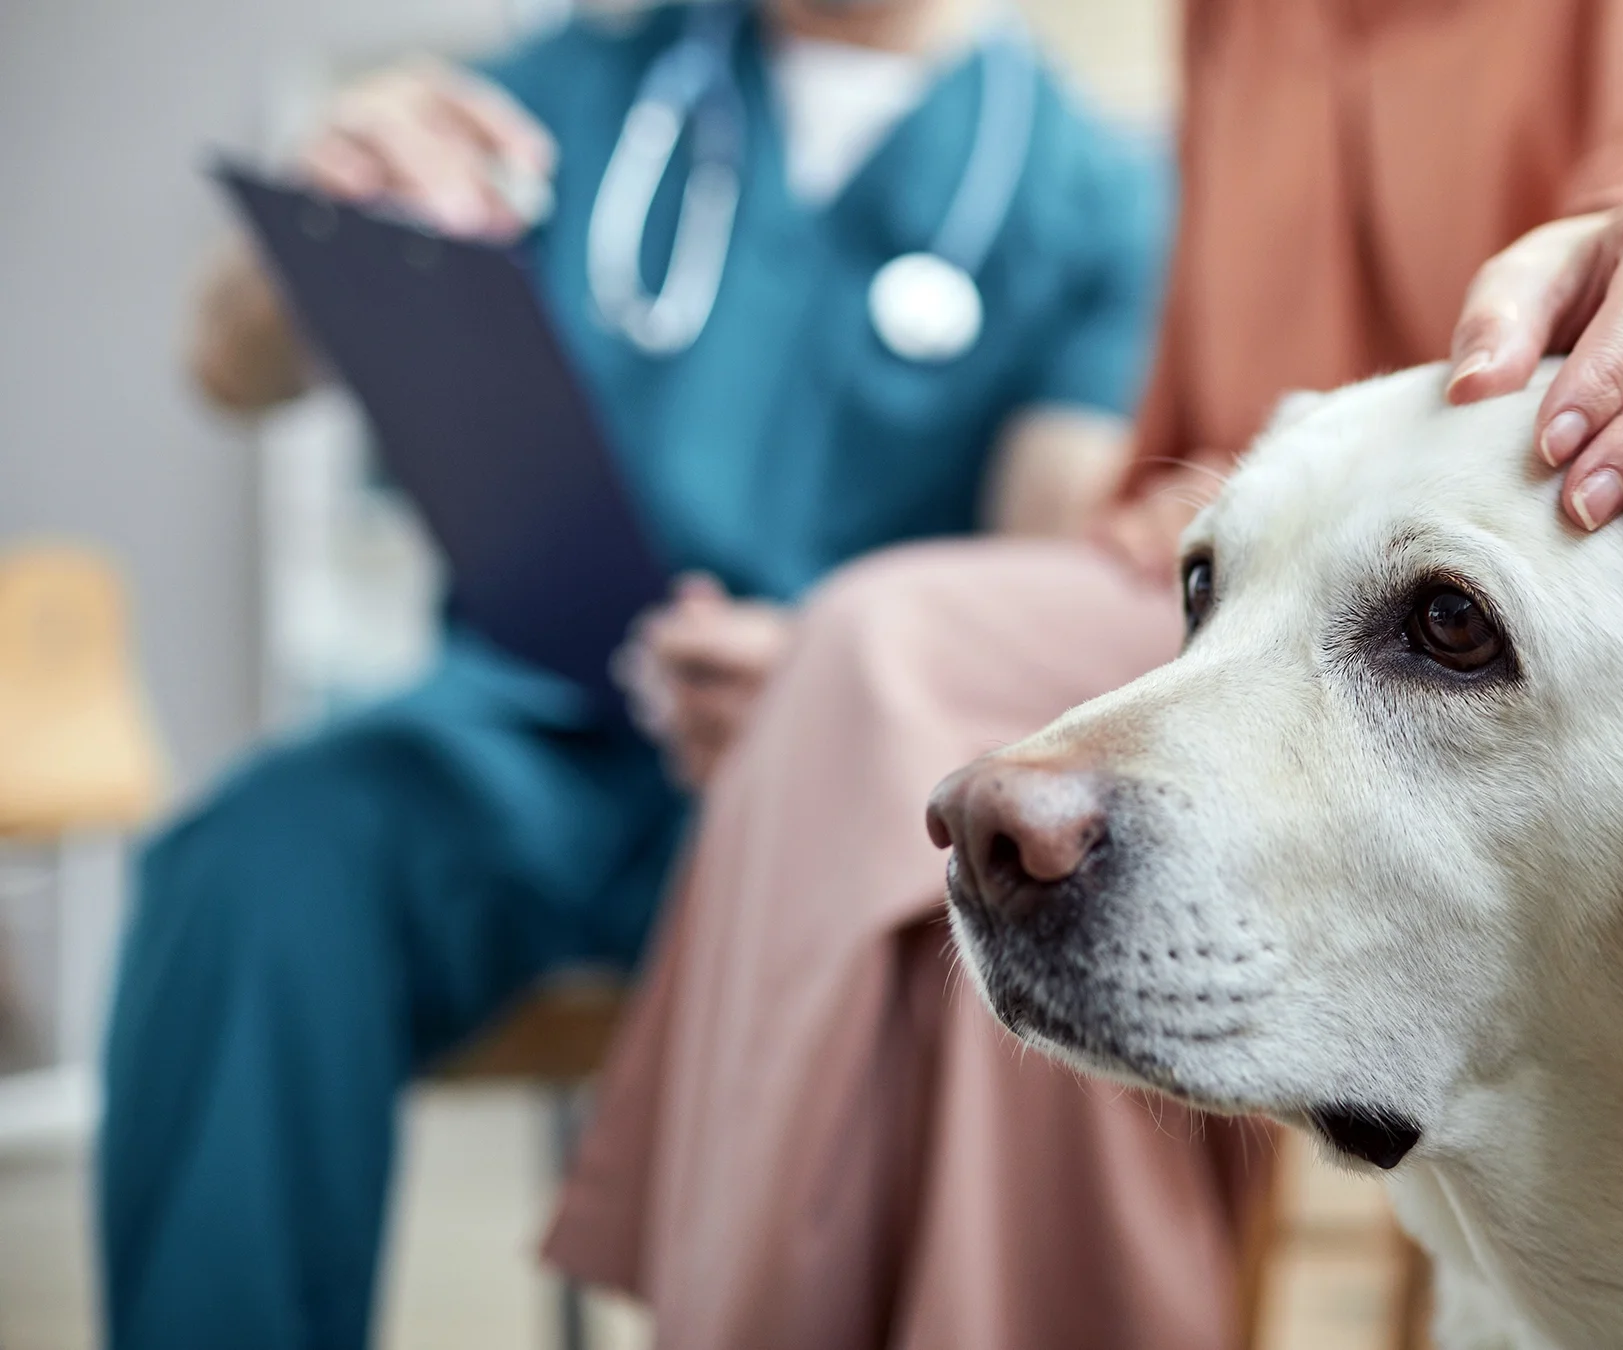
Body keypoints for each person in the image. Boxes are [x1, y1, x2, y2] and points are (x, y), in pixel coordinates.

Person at [539, 0, 1623, 1346]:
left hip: (1518, 629)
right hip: (1222, 593)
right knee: (908, 723)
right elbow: (1180, 453)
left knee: (886, 664)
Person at [104, 2, 1168, 1346]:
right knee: (251, 862)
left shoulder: (1098, 192)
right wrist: (327, 206)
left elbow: (1037, 544)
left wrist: (829, 672)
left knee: (953, 969)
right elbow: (227, 363)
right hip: (521, 747)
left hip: (840, 787)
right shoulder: (580, 91)